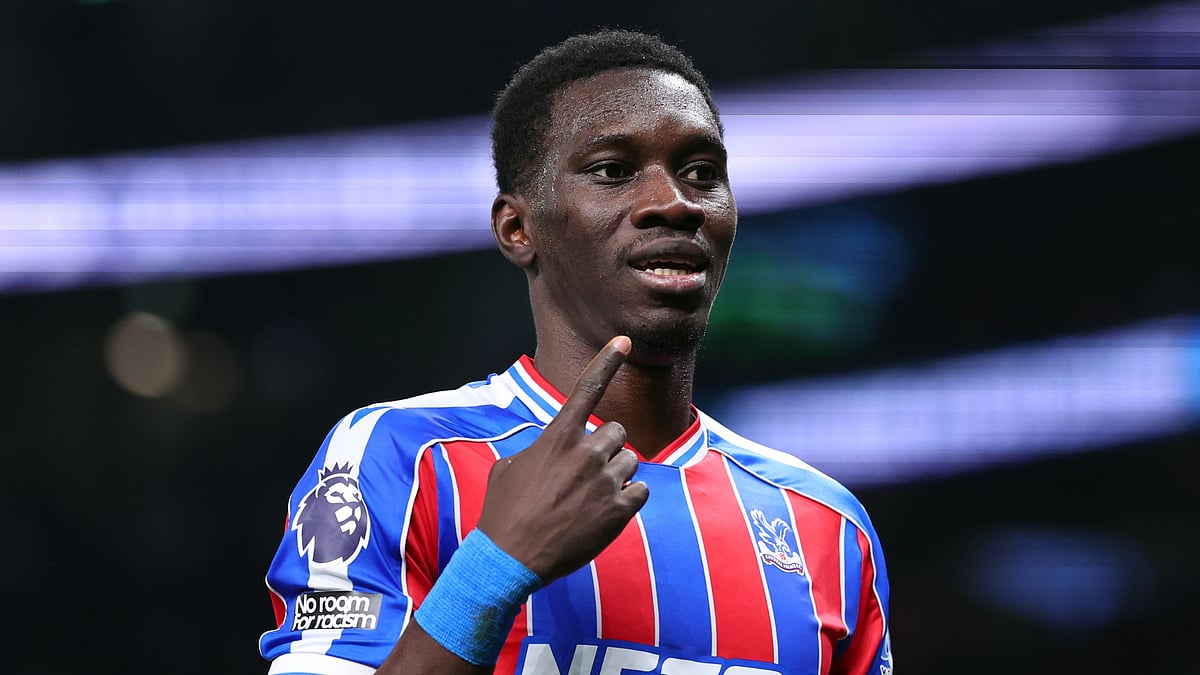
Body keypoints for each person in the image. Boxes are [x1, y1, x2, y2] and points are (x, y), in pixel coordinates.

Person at [260, 29, 891, 675]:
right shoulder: (401, 456)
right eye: (613, 170)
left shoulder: (826, 525)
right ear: (517, 227)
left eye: (702, 173)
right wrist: (495, 564)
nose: (673, 202)